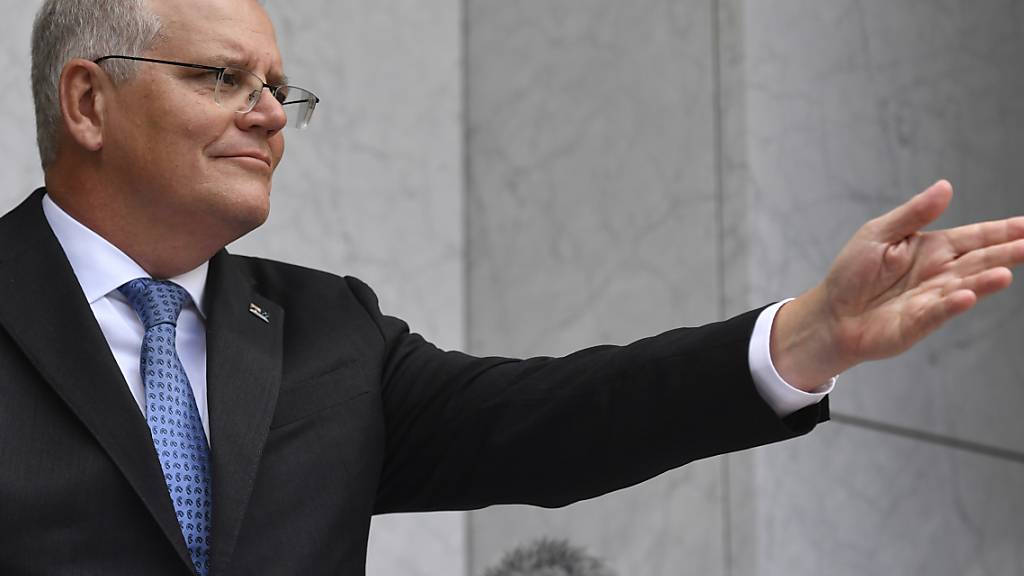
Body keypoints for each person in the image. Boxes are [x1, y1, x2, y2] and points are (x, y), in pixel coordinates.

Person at [1, 0, 1022, 575]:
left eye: (278, 89)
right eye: (223, 79)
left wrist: (805, 338)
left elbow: (553, 418)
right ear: (89, 101)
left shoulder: (327, 336)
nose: (270, 115)